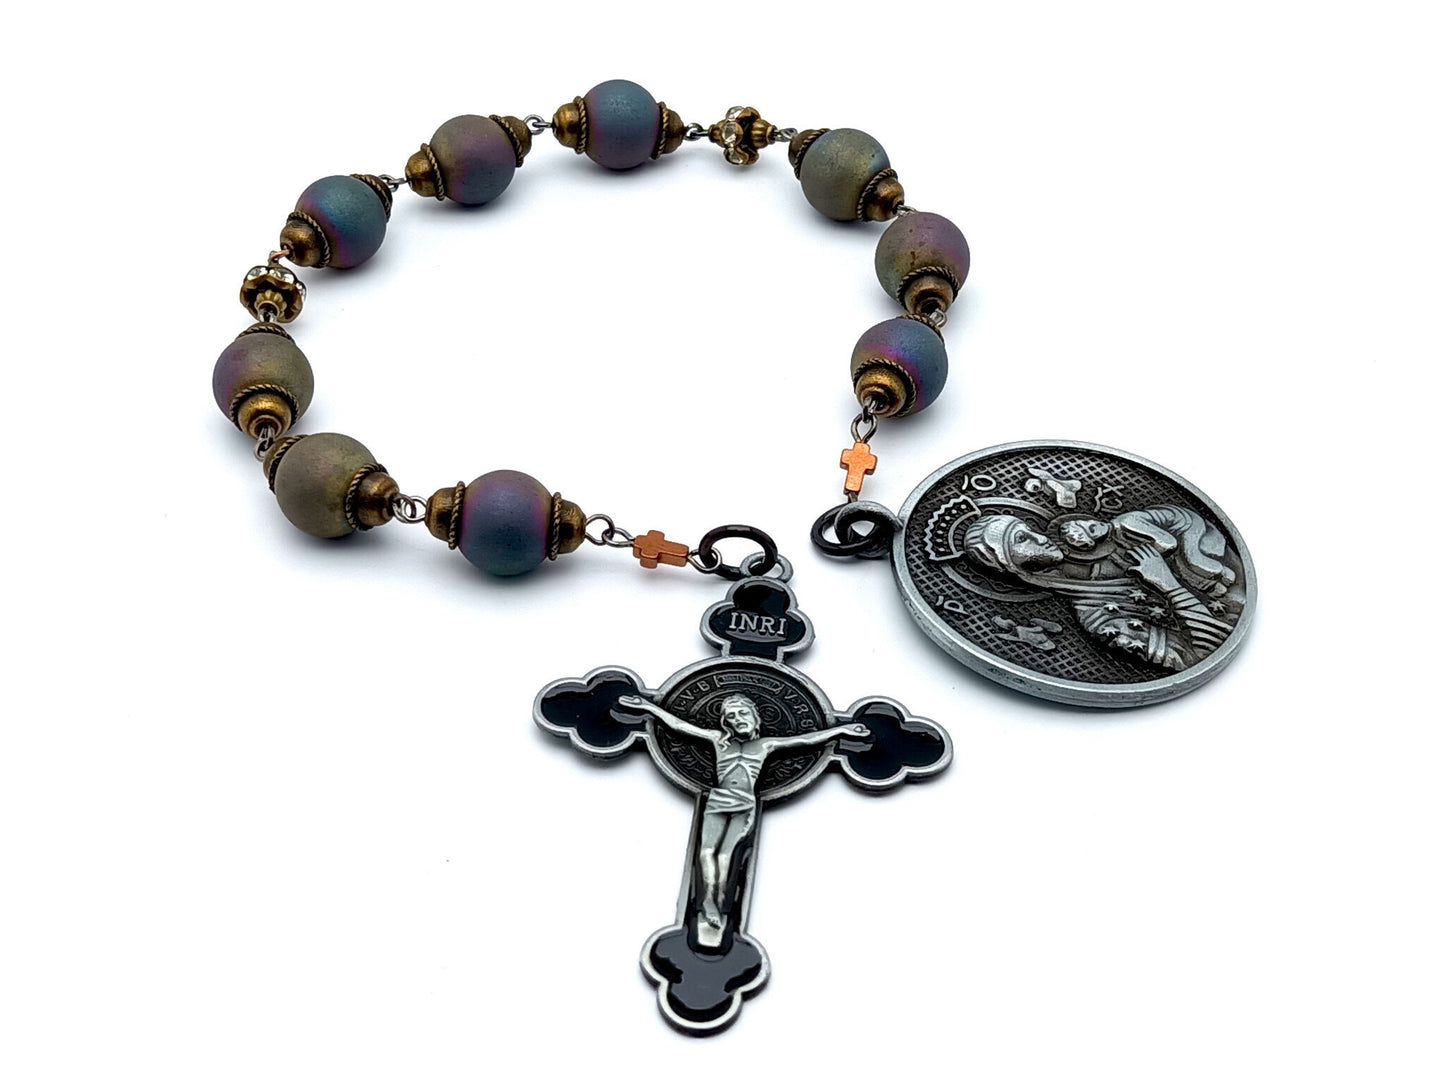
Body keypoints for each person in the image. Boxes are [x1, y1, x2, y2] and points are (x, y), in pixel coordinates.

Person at [617, 692, 867, 943]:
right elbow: (679, 725)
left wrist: (840, 730)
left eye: (742, 713)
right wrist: (648, 707)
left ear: (754, 715)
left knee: (726, 855)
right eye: (731, 716)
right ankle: (708, 903)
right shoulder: (719, 740)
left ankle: (720, 904)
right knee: (706, 852)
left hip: (744, 804)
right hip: (718, 801)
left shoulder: (765, 745)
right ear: (726, 722)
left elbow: (804, 740)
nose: (738, 719)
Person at [961, 507, 1237, 671]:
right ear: (1013, 567)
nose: (1040, 538)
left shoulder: (1104, 537)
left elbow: (1185, 520)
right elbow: (1203, 651)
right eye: (1022, 540)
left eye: (1029, 529)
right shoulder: (1100, 618)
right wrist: (1169, 585)